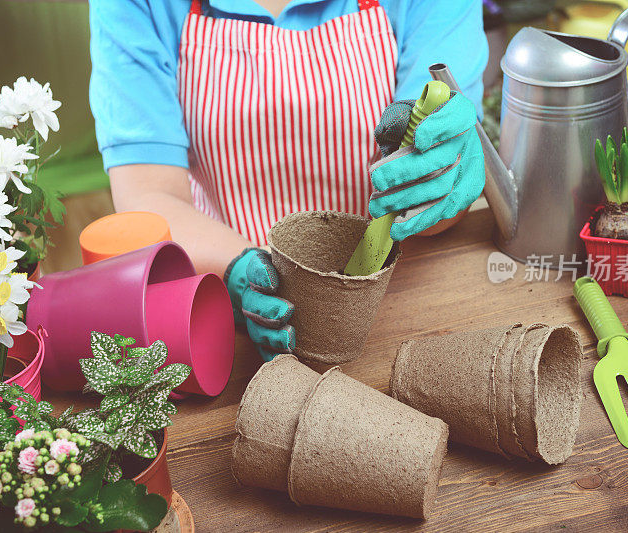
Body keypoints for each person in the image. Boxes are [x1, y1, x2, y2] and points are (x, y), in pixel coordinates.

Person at [89, 0, 488, 360]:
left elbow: (434, 152)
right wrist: (239, 272)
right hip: (226, 302)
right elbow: (149, 192)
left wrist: (439, 174)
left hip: (396, 299)